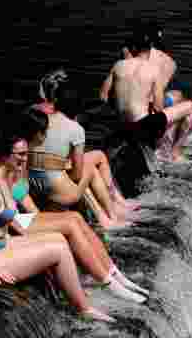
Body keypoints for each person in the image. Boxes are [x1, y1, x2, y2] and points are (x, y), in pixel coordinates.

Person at [0, 128, 114, 322]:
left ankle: (83, 290)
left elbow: (14, 215)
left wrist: (36, 228)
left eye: (26, 154)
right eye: (20, 155)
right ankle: (84, 309)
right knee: (58, 250)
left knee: (59, 238)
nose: (25, 159)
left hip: (4, 244)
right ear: (4, 155)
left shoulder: (6, 176)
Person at [16, 109, 149, 302]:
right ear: (36, 134)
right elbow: (15, 194)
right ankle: (109, 284)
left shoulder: (26, 155)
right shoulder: (14, 162)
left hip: (24, 216)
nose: (46, 135)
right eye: (44, 131)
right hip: (14, 221)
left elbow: (23, 191)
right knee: (70, 222)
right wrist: (36, 215)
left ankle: (114, 273)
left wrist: (38, 213)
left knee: (76, 218)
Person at [28, 71, 137, 229]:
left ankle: (110, 211)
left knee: (90, 160)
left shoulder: (34, 119)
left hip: (31, 184)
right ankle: (111, 214)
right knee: (88, 169)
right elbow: (77, 175)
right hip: (61, 193)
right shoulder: (75, 128)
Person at [100, 26, 192, 162]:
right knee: (191, 106)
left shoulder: (118, 65)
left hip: (123, 125)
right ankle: (174, 153)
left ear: (133, 48)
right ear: (150, 49)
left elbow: (103, 96)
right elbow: (158, 107)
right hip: (143, 127)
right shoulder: (154, 69)